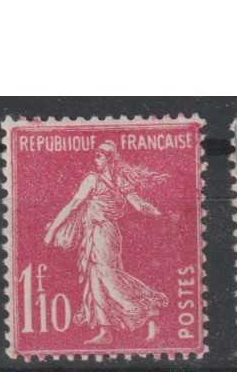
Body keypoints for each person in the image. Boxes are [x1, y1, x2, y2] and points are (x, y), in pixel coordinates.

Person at [43, 140, 168, 345]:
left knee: (106, 276)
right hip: (104, 233)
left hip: (101, 233)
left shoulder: (93, 179)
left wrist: (52, 231)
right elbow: (139, 205)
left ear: (109, 159)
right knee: (97, 278)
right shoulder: (119, 180)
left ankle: (146, 309)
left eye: (99, 156)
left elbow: (73, 205)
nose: (96, 160)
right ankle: (106, 330)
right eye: (96, 156)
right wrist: (157, 213)